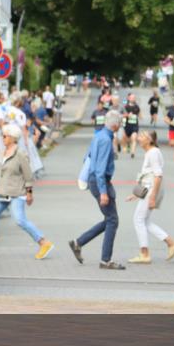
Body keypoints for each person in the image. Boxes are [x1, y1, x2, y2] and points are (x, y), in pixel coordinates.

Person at [0, 124, 53, 259]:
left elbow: (28, 175)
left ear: (13, 138)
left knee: (20, 220)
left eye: (5, 136)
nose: (3, 138)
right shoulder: (2, 152)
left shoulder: (20, 154)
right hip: (1, 192)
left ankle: (44, 242)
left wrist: (29, 193)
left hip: (17, 193)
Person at [69, 110, 125, 270]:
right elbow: (100, 169)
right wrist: (103, 192)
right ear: (115, 124)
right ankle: (105, 260)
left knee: (109, 219)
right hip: (101, 182)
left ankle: (78, 243)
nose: (120, 125)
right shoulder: (106, 140)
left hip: (95, 180)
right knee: (113, 220)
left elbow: (87, 157)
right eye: (120, 123)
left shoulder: (99, 135)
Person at [126, 130, 174, 264]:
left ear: (150, 140)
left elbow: (157, 175)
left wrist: (152, 197)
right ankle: (171, 243)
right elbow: (148, 177)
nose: (139, 138)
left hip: (152, 191)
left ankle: (145, 254)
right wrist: (136, 194)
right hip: (149, 190)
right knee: (144, 221)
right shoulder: (150, 153)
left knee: (138, 219)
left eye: (142, 136)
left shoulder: (153, 153)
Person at [122, 92, 141, 158]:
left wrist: (139, 116)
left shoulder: (137, 107)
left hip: (135, 126)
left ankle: (133, 152)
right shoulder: (125, 106)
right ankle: (127, 145)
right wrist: (127, 115)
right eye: (132, 98)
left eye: (134, 98)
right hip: (127, 125)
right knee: (126, 138)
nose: (133, 99)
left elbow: (139, 114)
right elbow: (122, 115)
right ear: (129, 98)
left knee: (134, 138)